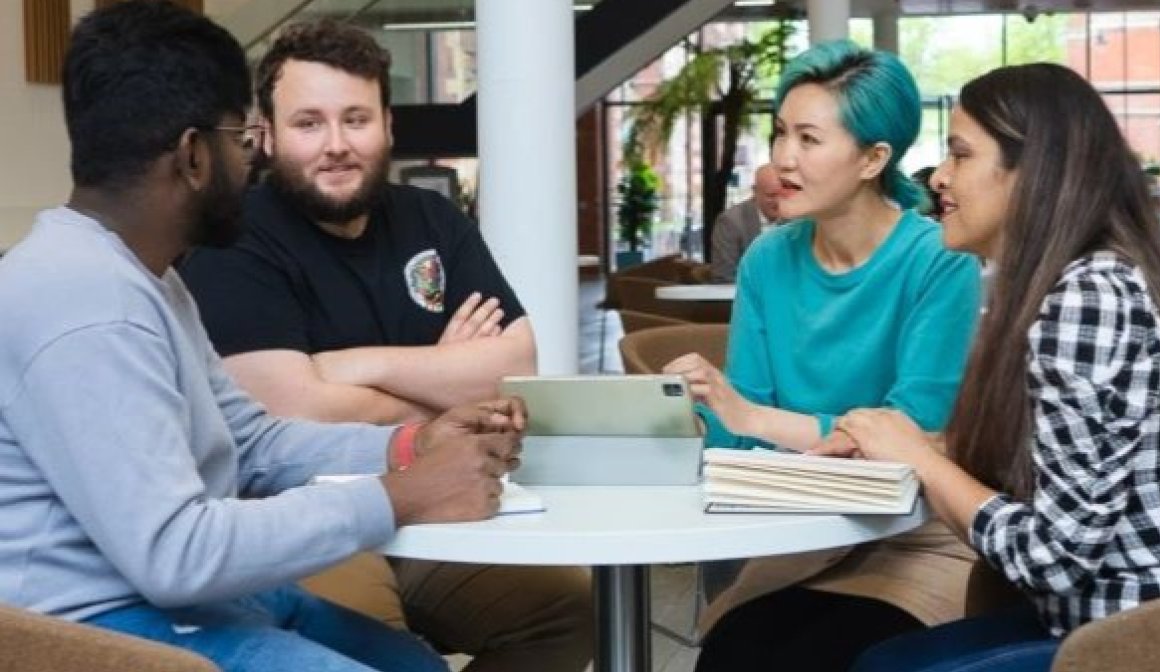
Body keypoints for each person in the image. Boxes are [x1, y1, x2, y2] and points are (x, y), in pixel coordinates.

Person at [0, 3, 530, 672]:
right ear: (195, 156)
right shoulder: (85, 301)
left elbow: (248, 442)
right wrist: (404, 494)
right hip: (98, 628)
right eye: (239, 138)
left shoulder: (143, 277)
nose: (247, 159)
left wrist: (408, 444)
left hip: (180, 600)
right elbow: (178, 553)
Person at [178, 20, 591, 672]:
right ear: (267, 135)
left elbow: (515, 367)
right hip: (304, 520)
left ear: (389, 126)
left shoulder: (431, 218)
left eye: (356, 119)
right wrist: (444, 384)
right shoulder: (234, 237)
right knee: (373, 641)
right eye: (309, 123)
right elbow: (288, 415)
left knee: (563, 609)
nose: (336, 145)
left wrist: (349, 366)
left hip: (444, 497)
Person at [833, 63, 1160, 672]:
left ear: (1033, 175)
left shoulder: (1085, 300)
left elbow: (1053, 557)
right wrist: (920, 446)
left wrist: (918, 458)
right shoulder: (1099, 276)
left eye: (960, 155)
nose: (938, 179)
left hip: (1135, 635)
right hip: (1119, 616)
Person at [662, 40, 982, 671]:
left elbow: (911, 431)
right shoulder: (767, 258)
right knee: (728, 658)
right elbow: (741, 430)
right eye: (781, 132)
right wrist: (696, 414)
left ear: (873, 158)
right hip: (799, 529)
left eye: (809, 139)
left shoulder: (939, 259)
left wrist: (753, 419)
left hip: (913, 535)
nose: (782, 158)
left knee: (822, 658)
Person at [709, 164, 783, 282]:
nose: (778, 202)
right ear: (755, 191)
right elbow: (725, 276)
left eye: (783, 195)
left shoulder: (797, 219)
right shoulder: (731, 222)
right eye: (771, 195)